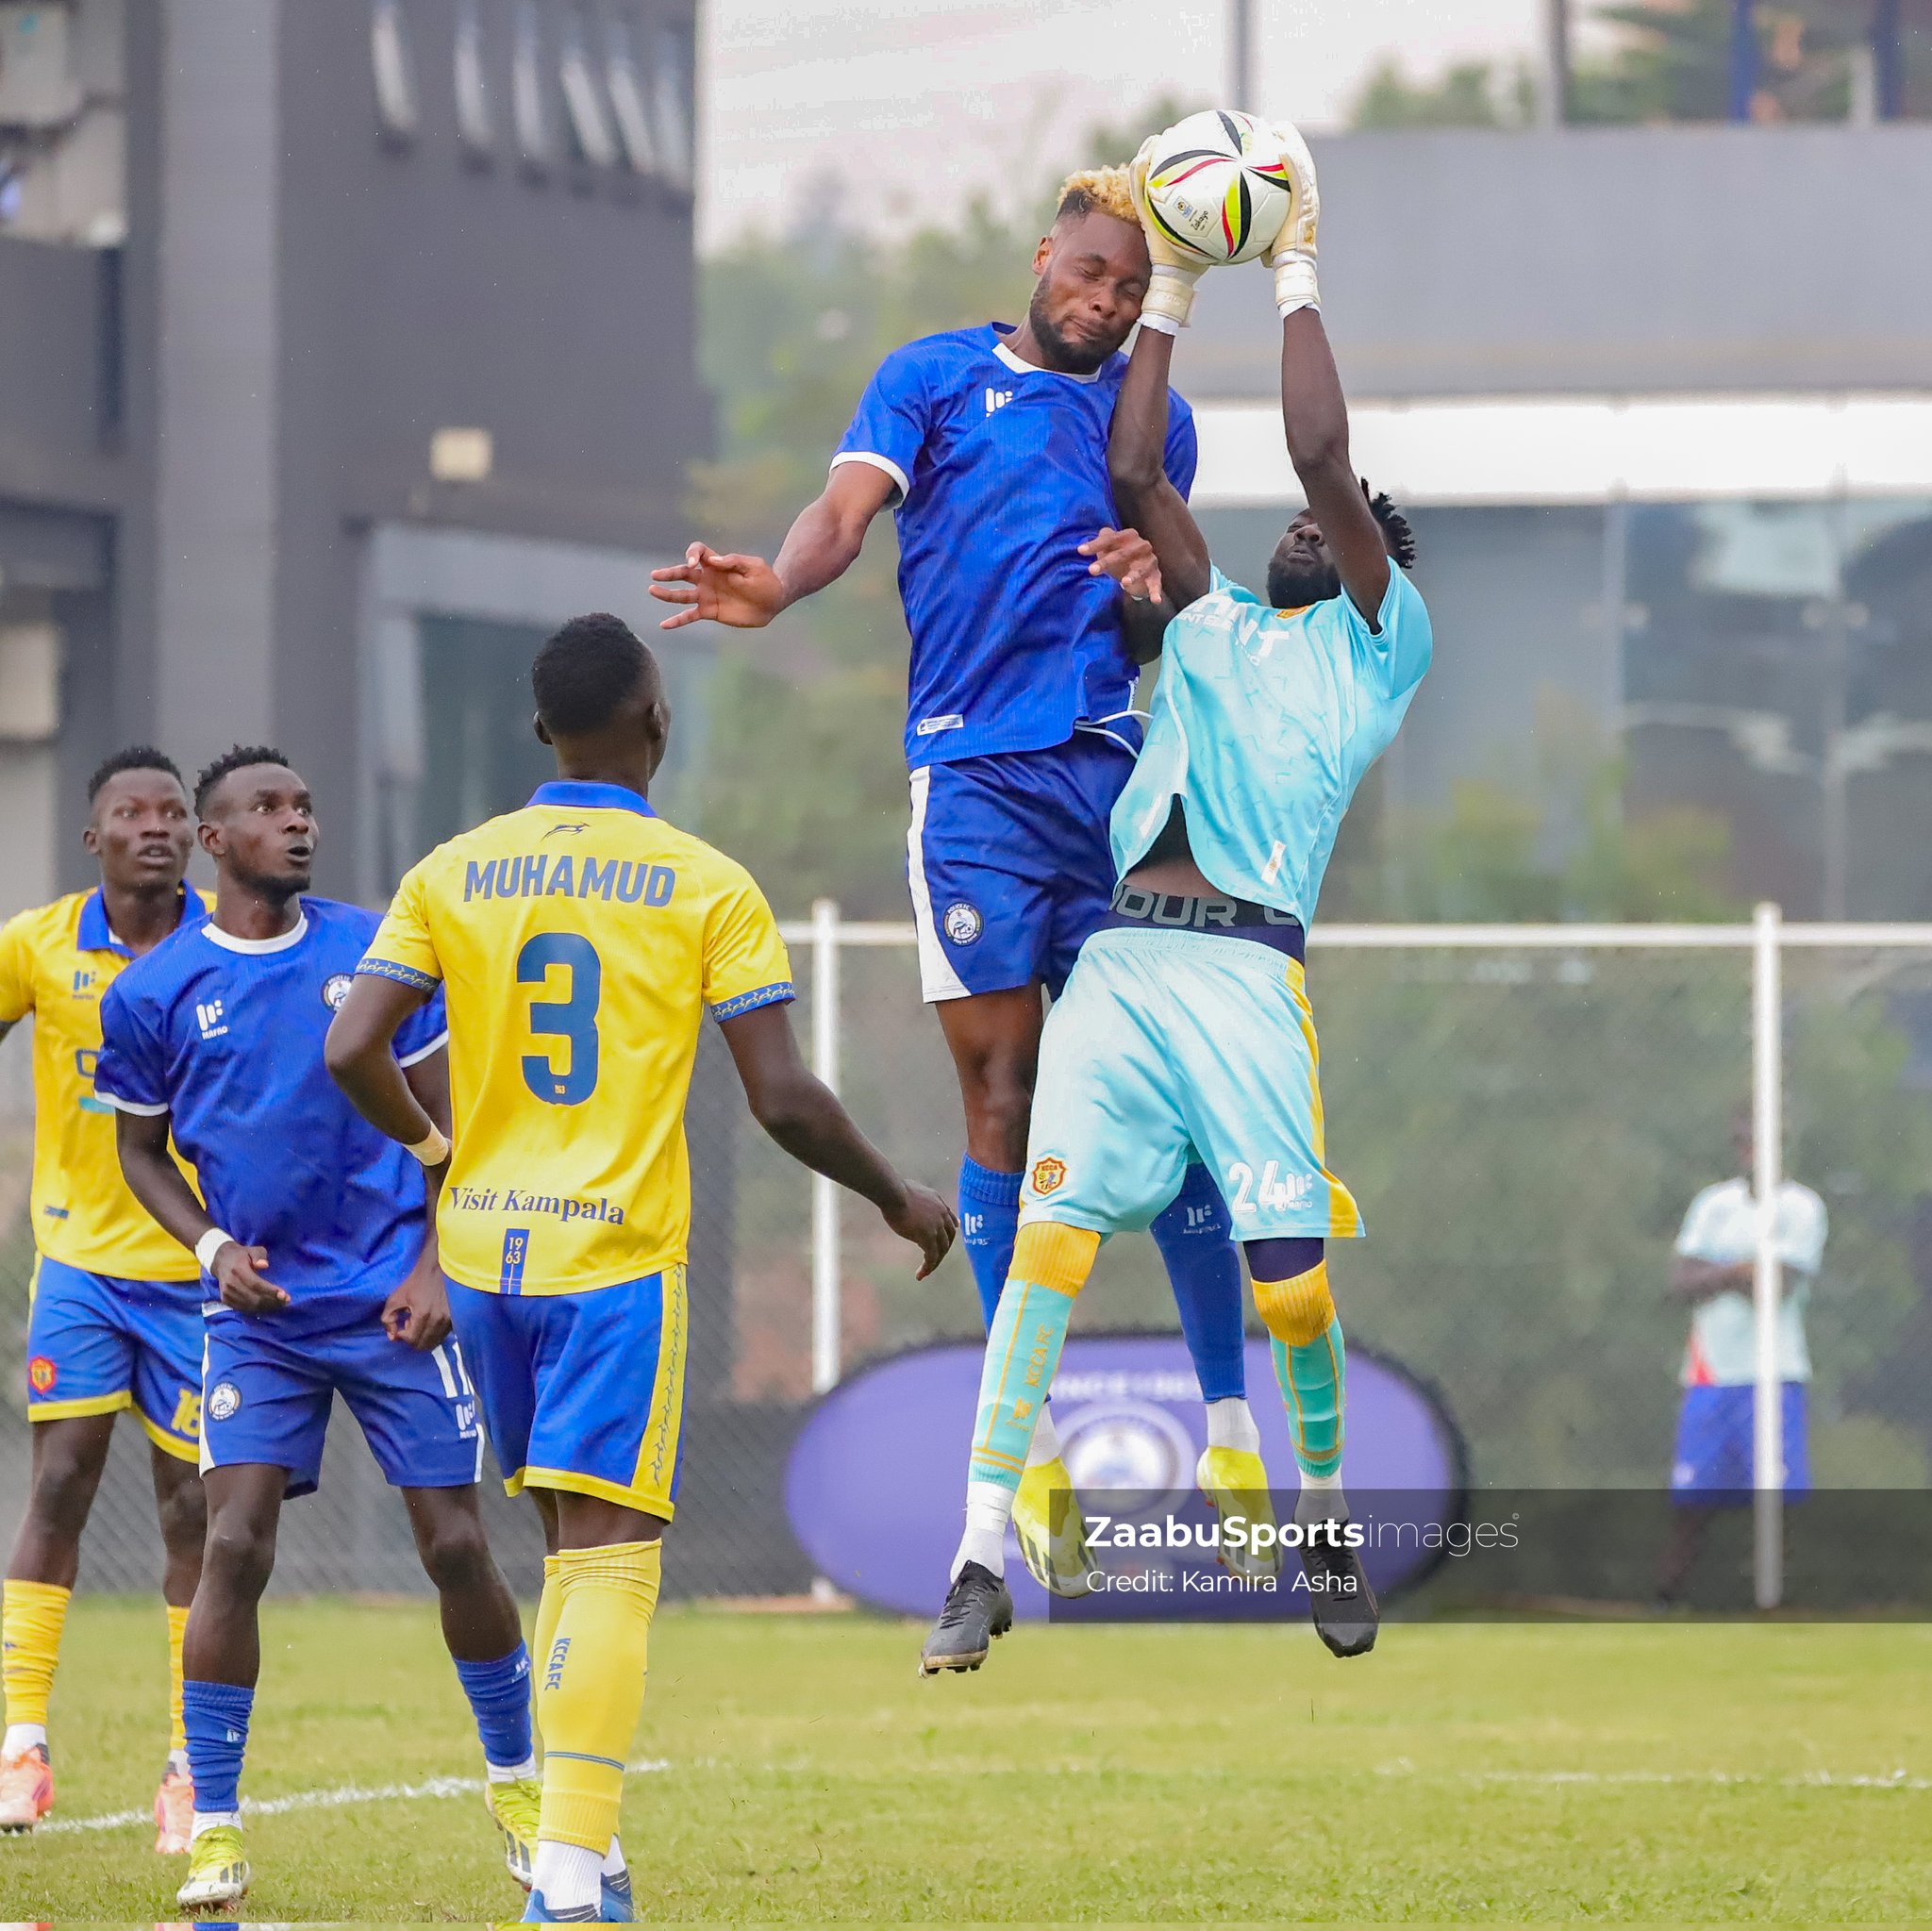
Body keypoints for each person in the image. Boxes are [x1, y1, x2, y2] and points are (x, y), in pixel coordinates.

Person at [647, 166, 1259, 1598]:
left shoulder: (1155, 419)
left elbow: (1174, 603)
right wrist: (783, 587)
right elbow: (841, 512)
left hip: (1112, 775)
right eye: (1090, 272)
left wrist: (1150, 586)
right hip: (972, 783)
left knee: (1168, 1104)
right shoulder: (930, 374)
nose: (1104, 302)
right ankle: (1024, 1442)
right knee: (1005, 1097)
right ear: (1046, 252)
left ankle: (1230, 1421)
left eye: (1130, 290)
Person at [326, 613, 955, 1923]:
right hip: (611, 1256)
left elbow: (350, 1052)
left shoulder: (455, 866)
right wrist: (897, 1194)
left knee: (567, 1550)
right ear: (658, 722)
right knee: (611, 1556)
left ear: (539, 728)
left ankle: (588, 1852)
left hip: (488, 1258)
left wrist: (436, 1144)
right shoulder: (705, 883)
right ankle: (564, 1876)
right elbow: (779, 1096)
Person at [920, 126, 1431, 1673]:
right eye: (1290, 529)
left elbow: (1323, 465)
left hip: (1244, 981)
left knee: (1294, 1291)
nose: (1302, 531)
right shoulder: (1207, 621)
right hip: (1125, 965)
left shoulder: (1372, 645)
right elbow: (1132, 469)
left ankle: (1322, 1517)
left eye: (1334, 537)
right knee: (1051, 1244)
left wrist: (1289, 268)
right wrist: (1169, 294)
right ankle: (978, 1551)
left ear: (1373, 573)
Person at [95, 748, 542, 1915]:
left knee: (452, 1545)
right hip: (259, 1317)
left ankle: (519, 1785)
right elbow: (140, 1150)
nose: (297, 823)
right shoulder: (151, 993)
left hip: (396, 1302)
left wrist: (436, 1257)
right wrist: (209, 1249)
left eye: (303, 805)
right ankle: (216, 1827)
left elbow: (455, 1118)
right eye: (267, 810)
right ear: (213, 837)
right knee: (229, 1541)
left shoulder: (377, 949)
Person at [0, 749, 208, 1846]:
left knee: (191, 1511)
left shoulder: (231, 941)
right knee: (61, 1483)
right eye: (131, 811)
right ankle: (21, 1743)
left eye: (173, 811)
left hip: (195, 1272)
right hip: (79, 1263)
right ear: (97, 838)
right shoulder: (38, 943)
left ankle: (186, 1764)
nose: (155, 825)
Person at [1657, 1105, 1826, 1604]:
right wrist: (1740, 1271)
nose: (1751, 1152)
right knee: (1692, 1500)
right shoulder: (1714, 1206)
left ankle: (1776, 1599)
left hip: (1773, 1374)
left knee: (1776, 1497)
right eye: (1743, 1141)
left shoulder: (1801, 1208)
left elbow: (1776, 1285)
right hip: (1711, 1375)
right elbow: (1682, 1282)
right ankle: (1667, 1600)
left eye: (1761, 1141)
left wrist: (1727, 1272)